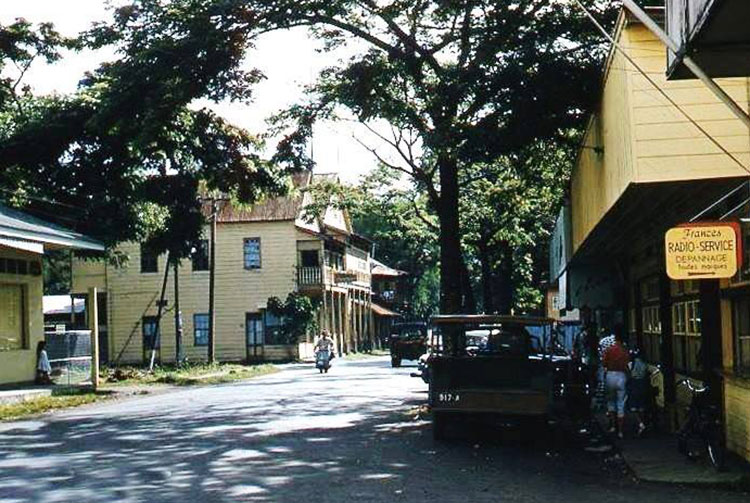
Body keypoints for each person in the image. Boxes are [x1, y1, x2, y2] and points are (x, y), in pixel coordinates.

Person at [602, 328, 630, 438]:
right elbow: (627, 365)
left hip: (610, 374)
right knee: (620, 403)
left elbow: (604, 363)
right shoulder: (624, 350)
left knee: (610, 401)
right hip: (621, 375)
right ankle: (621, 431)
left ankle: (613, 426)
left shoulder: (609, 350)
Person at [628, 348, 649, 436]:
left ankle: (640, 423)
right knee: (641, 406)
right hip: (642, 384)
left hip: (634, 384)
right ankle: (643, 422)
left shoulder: (630, 364)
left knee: (633, 407)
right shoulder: (645, 364)